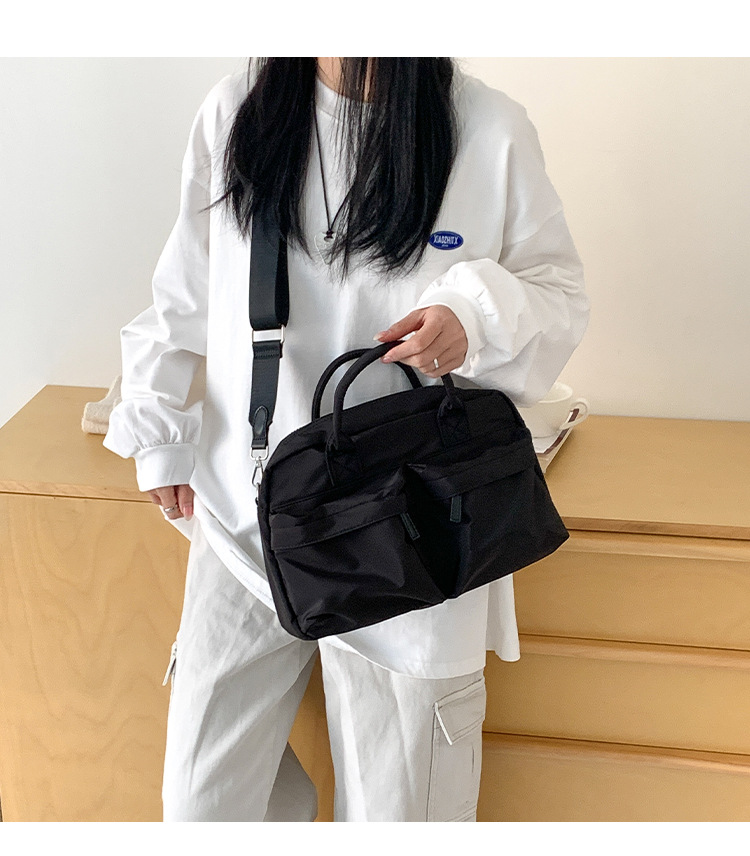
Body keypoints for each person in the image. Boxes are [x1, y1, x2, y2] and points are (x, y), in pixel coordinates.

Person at [103, 57, 589, 822]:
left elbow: (557, 293)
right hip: (247, 519)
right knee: (202, 804)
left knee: (401, 811)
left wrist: (473, 316)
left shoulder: (487, 128)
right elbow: (185, 292)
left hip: (412, 531)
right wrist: (156, 424)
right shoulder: (237, 111)